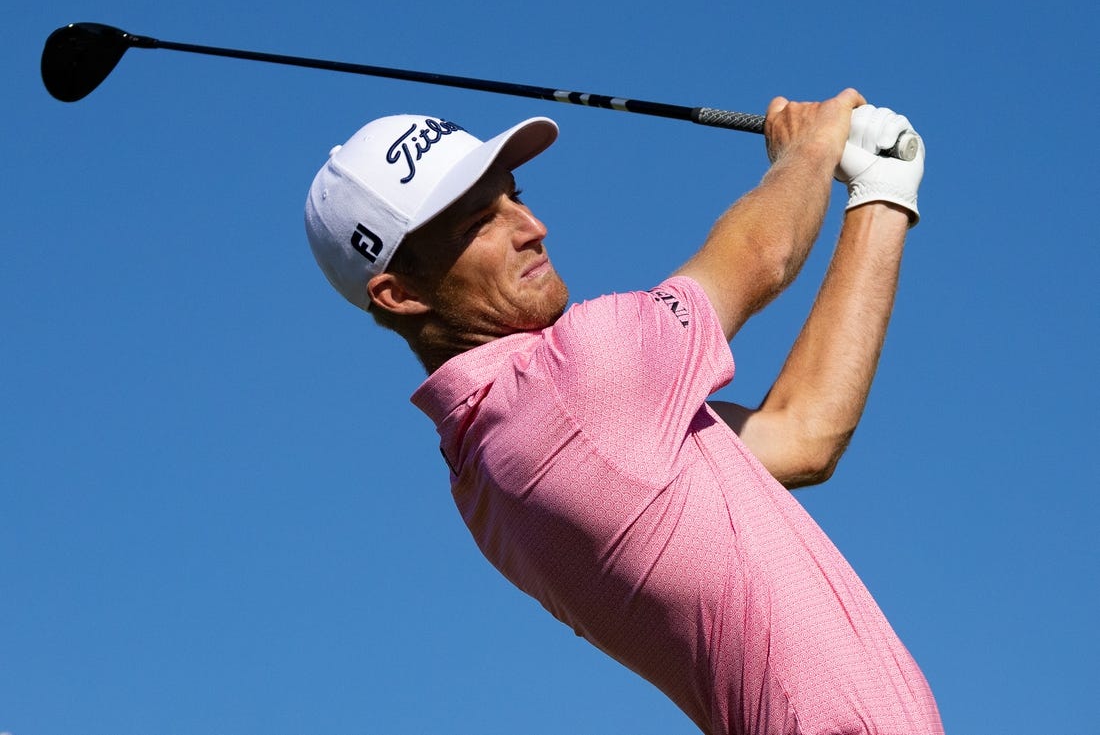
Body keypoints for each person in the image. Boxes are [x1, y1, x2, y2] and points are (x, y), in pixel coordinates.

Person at [304, 89, 943, 735]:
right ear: (401, 293)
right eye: (478, 224)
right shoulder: (564, 388)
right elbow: (762, 254)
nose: (531, 228)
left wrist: (881, 194)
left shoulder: (496, 453)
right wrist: (810, 145)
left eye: (513, 197)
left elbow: (803, 432)